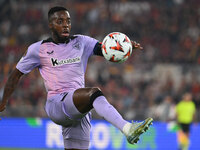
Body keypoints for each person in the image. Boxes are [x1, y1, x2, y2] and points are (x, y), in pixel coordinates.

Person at [0, 6, 153, 150]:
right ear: (50, 25)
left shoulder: (82, 42)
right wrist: (3, 103)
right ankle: (127, 128)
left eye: (68, 21)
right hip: (57, 104)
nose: (65, 25)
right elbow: (15, 76)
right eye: (60, 21)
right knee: (94, 93)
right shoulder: (38, 49)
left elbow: (105, 49)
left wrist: (124, 46)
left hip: (78, 109)